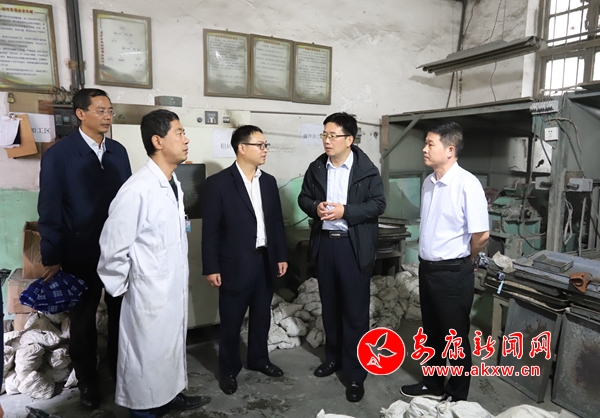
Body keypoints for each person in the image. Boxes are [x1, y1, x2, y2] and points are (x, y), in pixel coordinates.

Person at [97, 109, 203, 417]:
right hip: (147, 295)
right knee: (146, 358)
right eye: (179, 133)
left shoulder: (172, 184)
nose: (186, 139)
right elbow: (112, 249)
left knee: (168, 351)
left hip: (170, 290)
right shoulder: (137, 189)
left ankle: (169, 396)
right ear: (158, 141)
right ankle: (144, 411)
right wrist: (129, 287)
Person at [37, 88, 131, 409]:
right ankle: (88, 384)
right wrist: (52, 255)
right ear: (80, 114)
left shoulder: (118, 152)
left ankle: (121, 373)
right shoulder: (60, 155)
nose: (107, 117)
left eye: (110, 111)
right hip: (80, 252)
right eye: (100, 111)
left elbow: (128, 201)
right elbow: (49, 208)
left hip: (117, 251)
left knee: (121, 316)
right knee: (82, 322)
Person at [298, 112, 386, 403]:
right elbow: (303, 198)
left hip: (353, 247)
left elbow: (378, 204)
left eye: (333, 135)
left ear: (349, 139)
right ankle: (333, 358)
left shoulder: (366, 170)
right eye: (324, 135)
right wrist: (315, 207)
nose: (327, 140)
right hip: (326, 245)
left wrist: (345, 211)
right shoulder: (317, 167)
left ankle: (355, 372)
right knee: (331, 308)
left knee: (355, 313)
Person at [400, 122, 489, 402]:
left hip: (453, 272)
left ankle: (457, 395)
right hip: (428, 269)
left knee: (455, 337)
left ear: (450, 150)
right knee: (432, 334)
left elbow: (481, 235)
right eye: (425, 143)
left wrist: (470, 257)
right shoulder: (429, 182)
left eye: (430, 144)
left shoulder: (467, 184)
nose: (424, 149)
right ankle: (433, 384)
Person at [202, 125, 288, 395]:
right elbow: (211, 230)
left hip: (265, 260)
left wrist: (281, 255)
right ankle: (228, 370)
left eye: (265, 145)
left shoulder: (268, 182)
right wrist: (211, 267)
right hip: (234, 263)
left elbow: (276, 222)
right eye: (260, 145)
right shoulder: (218, 183)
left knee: (262, 315)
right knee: (231, 321)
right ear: (242, 148)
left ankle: (259, 359)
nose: (265, 150)